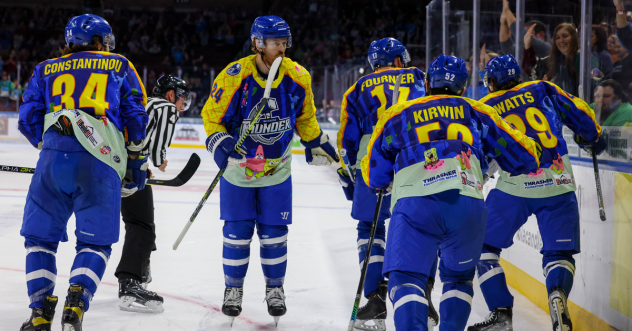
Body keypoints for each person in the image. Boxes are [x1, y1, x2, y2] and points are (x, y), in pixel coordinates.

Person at [361, 54, 541, 331]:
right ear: (463, 88)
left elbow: (375, 176)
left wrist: (384, 181)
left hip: (416, 204)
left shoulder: (398, 114)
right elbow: (526, 156)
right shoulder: (477, 110)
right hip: (468, 204)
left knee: (406, 278)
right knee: (458, 280)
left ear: (428, 85)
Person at [201, 15, 339, 325]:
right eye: (275, 43)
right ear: (258, 43)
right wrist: (222, 147)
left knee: (275, 234)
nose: (282, 49)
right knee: (236, 234)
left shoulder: (298, 76)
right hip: (239, 172)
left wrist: (318, 142)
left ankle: (275, 290)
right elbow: (211, 118)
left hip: (278, 172)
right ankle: (232, 291)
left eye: (284, 43)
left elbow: (306, 120)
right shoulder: (234, 76)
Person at [17, 14, 148, 331]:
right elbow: (136, 114)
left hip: (53, 159)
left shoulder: (44, 69)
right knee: (95, 244)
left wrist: (47, 144)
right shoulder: (118, 65)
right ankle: (76, 302)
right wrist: (136, 160)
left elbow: (26, 118)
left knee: (39, 241)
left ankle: (39, 313)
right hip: (100, 162)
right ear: (101, 41)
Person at [468, 55, 605, 331]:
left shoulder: (485, 106)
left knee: (482, 248)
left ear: (492, 82)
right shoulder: (542, 88)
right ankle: (556, 294)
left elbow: (479, 152)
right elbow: (580, 114)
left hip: (513, 189)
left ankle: (501, 313)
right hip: (559, 183)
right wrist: (592, 138)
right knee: (559, 253)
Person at [336, 37, 436, 330]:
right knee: (422, 225)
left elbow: (347, 140)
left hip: (371, 157)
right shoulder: (419, 78)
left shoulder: (356, 89)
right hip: (416, 156)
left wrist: (352, 170)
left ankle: (376, 299)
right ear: (396, 60)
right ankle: (424, 299)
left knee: (370, 227)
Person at [115, 74, 191, 313]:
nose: (182, 104)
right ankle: (130, 281)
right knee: (141, 225)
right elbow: (157, 149)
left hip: (117, 165)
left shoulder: (145, 103)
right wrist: (160, 161)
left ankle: (140, 269)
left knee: (140, 222)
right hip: (133, 170)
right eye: (182, 98)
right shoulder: (167, 108)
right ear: (170, 94)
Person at [523, 23, 600, 97]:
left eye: (565, 36)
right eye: (557, 37)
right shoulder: (555, 60)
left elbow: (595, 89)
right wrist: (527, 45)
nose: (561, 40)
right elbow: (532, 71)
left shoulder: (584, 59)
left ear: (574, 37)